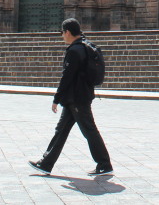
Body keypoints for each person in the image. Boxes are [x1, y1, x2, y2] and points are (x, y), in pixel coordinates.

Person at [29, 18, 112, 176]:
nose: (62, 36)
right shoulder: (85, 46)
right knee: (61, 131)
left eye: (62, 33)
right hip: (77, 97)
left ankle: (104, 164)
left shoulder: (74, 50)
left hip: (77, 98)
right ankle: (46, 163)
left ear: (67, 32)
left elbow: (66, 77)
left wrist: (56, 99)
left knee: (89, 130)